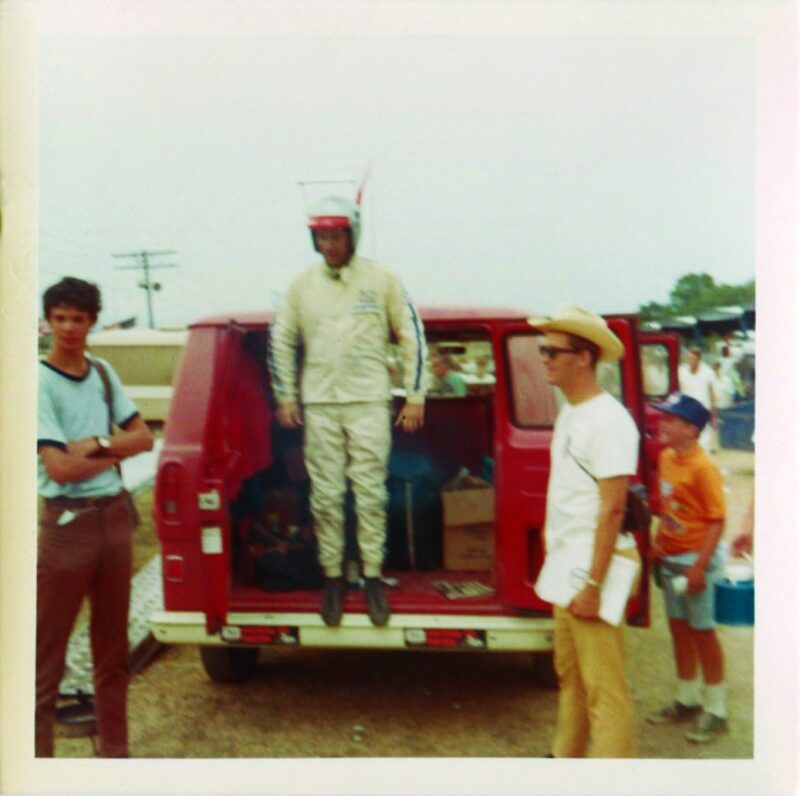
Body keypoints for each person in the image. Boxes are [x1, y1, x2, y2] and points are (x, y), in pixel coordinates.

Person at [268, 194, 427, 628]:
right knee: (326, 495)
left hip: (368, 400)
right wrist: (286, 394)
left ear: (352, 233)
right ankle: (334, 575)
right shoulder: (302, 286)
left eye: (336, 236)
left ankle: (373, 574)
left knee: (371, 492)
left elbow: (411, 334)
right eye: (321, 237)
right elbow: (281, 339)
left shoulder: (382, 280)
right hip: (320, 402)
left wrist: (415, 394)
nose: (330, 245)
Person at [36, 277, 154, 757]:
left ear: (93, 322)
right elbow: (60, 469)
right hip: (67, 529)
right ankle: (35, 769)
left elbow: (143, 438)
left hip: (113, 521)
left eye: (78, 319)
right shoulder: (38, 381)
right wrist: (113, 453)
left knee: (113, 656)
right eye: (59, 318)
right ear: (47, 321)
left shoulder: (103, 373)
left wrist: (101, 445)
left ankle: (115, 760)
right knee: (46, 660)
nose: (67, 328)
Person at [528, 303, 640, 758]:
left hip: (595, 565)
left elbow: (613, 509)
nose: (546, 358)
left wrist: (593, 583)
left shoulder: (610, 421)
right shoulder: (572, 413)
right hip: (569, 562)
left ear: (585, 358)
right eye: (543, 349)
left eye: (555, 351)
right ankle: (566, 760)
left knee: (604, 690)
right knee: (570, 678)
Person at [646, 393, 729, 744]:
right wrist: (656, 539)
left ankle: (717, 710)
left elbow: (716, 520)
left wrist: (699, 566)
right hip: (671, 559)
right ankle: (687, 698)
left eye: (670, 420)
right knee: (678, 629)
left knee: (702, 632)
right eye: (663, 418)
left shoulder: (703, 467)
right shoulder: (666, 457)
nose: (661, 424)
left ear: (691, 430)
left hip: (696, 560)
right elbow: (666, 506)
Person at [678, 346, 717, 451]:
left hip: (702, 412)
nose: (691, 361)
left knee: (703, 445)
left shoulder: (708, 372)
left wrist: (713, 417)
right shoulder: (681, 371)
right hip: (686, 413)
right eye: (689, 358)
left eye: (693, 358)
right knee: (687, 443)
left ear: (699, 358)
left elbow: (712, 395)